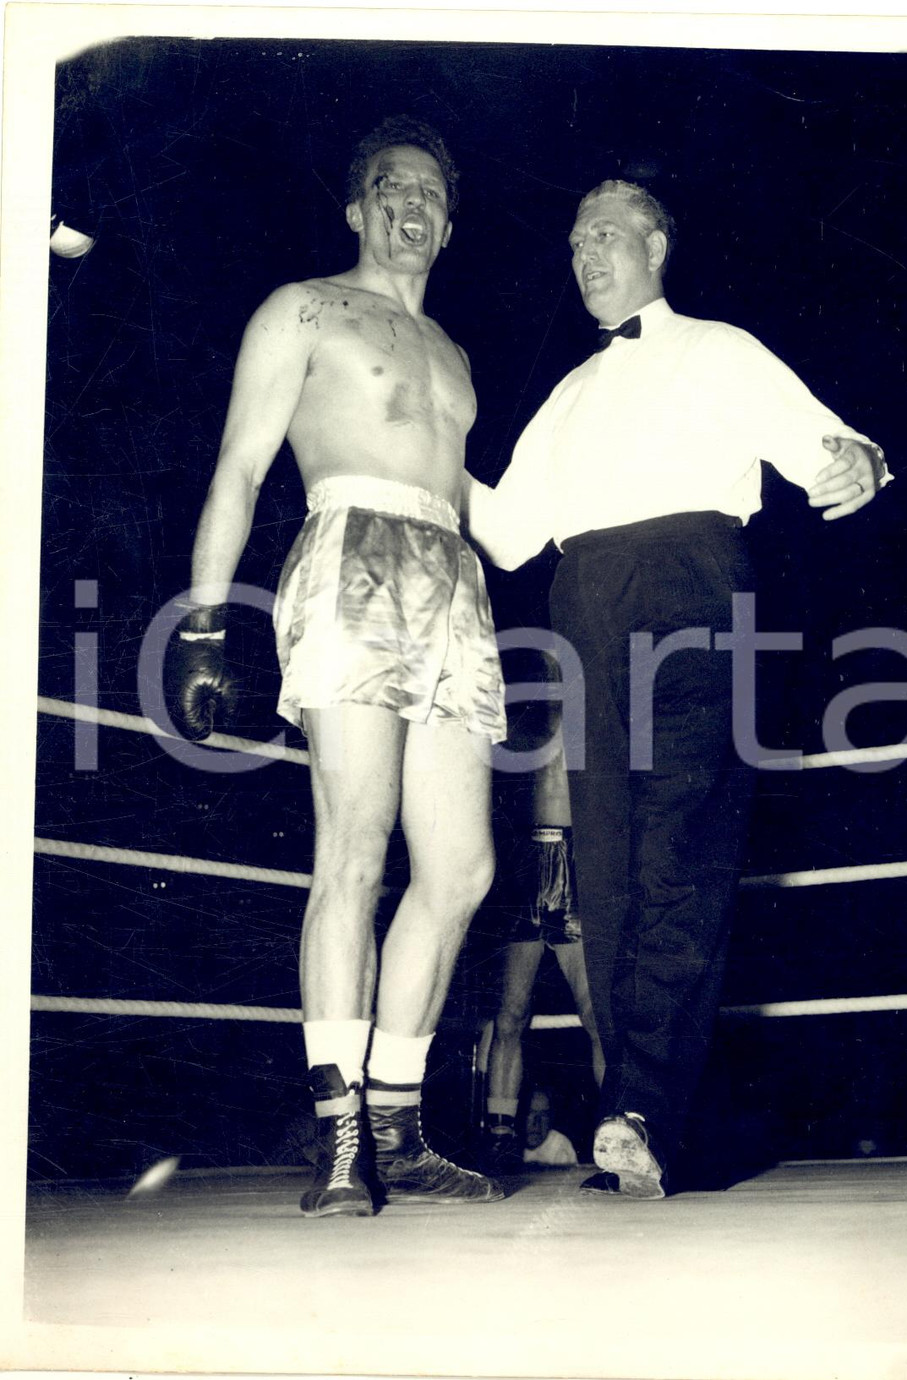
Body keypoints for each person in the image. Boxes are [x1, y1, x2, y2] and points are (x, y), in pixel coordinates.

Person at [464, 178, 889, 1200]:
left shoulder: (719, 349)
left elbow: (831, 449)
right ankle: (636, 1112)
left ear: (655, 246)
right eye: (574, 242)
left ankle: (642, 1105)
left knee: (683, 843)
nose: (585, 255)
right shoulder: (567, 392)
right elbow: (508, 534)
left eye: (604, 235)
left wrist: (859, 464)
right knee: (606, 862)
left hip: (694, 580)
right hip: (583, 596)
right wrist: (411, 452)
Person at [165, 117, 507, 1217]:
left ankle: (398, 1128)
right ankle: (340, 1134)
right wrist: (203, 622)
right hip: (350, 551)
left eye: (433, 193)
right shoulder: (303, 309)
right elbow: (239, 466)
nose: (415, 204)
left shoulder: (452, 353)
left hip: (452, 576)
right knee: (354, 846)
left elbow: (477, 503)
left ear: (448, 225)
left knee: (460, 870)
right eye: (393, 186)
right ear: (359, 208)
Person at [478, 701, 604, 1174]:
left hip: (576, 854)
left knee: (596, 1013)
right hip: (521, 856)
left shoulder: (594, 696)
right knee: (510, 1013)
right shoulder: (512, 696)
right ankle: (499, 1136)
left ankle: (615, 1126)